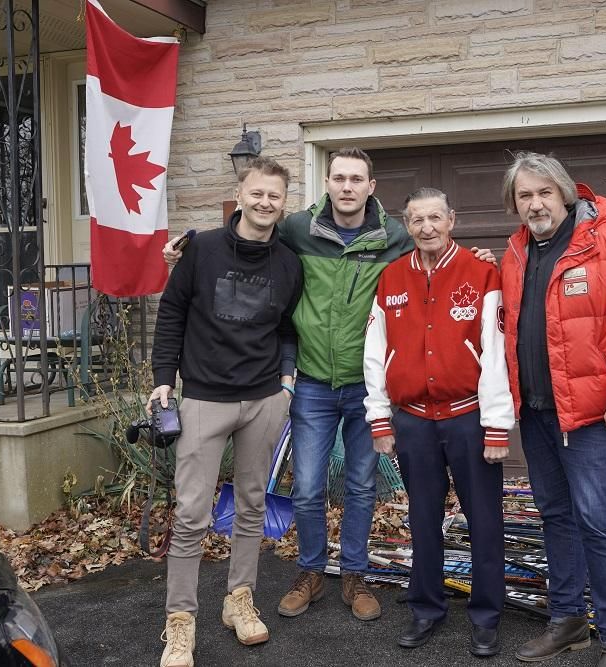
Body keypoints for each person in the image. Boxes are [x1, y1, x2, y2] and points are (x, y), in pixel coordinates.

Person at [163, 148, 495, 624]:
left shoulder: (395, 236)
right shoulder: (297, 229)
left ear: (371, 187)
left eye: (356, 179)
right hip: (313, 381)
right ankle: (311, 571)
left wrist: (478, 257)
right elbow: (247, 234)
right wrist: (189, 246)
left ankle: (354, 574)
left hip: (366, 384)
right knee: (307, 487)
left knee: (360, 485)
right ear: (327, 183)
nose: (347, 187)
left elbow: (437, 249)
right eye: (339, 178)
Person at [499, 153, 606, 667]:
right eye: (525, 195)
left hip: (592, 417)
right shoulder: (515, 252)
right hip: (536, 412)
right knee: (555, 516)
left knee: (597, 522)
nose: (535, 204)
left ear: (566, 194)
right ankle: (569, 621)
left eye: (544, 192)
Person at [149, 156, 303, 667]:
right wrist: (163, 380)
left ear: (284, 202)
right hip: (203, 399)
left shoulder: (289, 262)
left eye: (274, 196)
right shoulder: (202, 250)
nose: (265, 202)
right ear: (240, 195)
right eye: (256, 193)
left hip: (264, 399)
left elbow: (287, 327)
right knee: (192, 514)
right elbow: (172, 312)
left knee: (252, 505)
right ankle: (180, 622)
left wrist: (285, 383)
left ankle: (239, 600)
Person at [363, 188, 514, 657]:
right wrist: (379, 418)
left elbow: (496, 353)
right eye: (417, 220)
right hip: (413, 423)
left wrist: (497, 425)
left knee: (484, 520)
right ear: (406, 226)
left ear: (452, 220)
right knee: (422, 519)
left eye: (435, 218)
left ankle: (486, 616)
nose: (426, 227)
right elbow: (375, 352)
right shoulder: (391, 278)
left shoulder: (482, 273)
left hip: (468, 418)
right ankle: (426, 609)